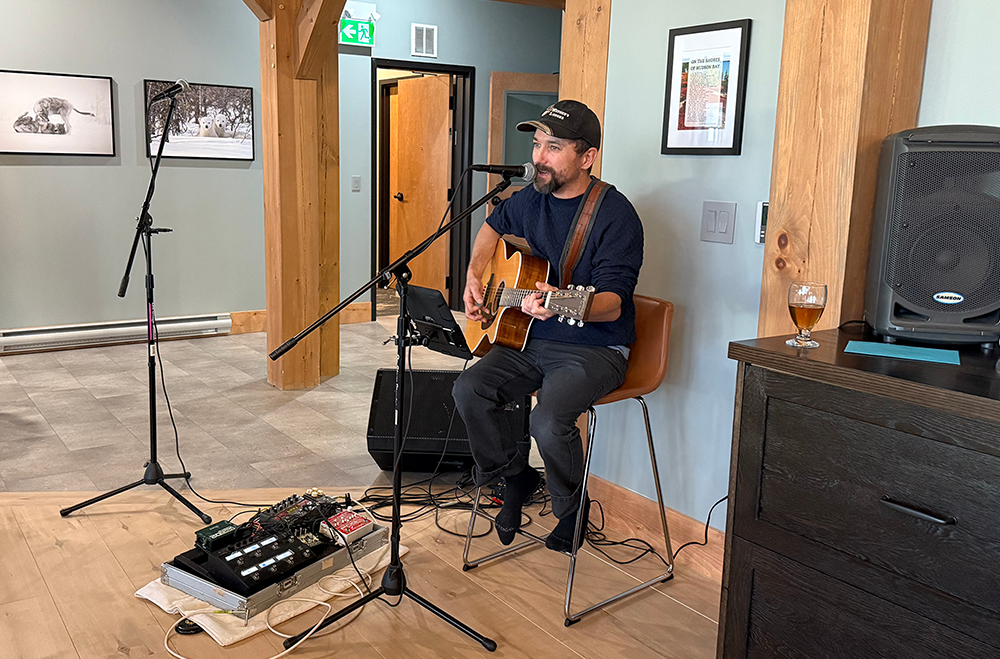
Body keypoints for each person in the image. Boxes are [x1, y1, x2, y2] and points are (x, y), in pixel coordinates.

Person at [452, 99, 644, 553]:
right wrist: (475, 276)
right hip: (532, 340)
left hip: (596, 350)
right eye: (537, 144)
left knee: (549, 419)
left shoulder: (616, 215)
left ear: (587, 157)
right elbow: (491, 227)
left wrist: (560, 303)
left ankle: (572, 509)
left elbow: (614, 304)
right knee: (469, 389)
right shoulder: (529, 199)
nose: (539, 156)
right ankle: (514, 477)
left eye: (553, 147)